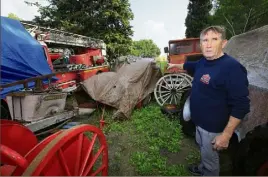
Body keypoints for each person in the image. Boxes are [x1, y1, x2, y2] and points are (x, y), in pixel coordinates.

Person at [167, 26, 250, 176]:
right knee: (203, 149)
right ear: (201, 44)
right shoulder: (202, 62)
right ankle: (202, 168)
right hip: (198, 122)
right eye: (205, 40)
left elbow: (241, 105)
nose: (209, 44)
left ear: (223, 43)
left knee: (211, 160)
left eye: (214, 39)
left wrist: (226, 135)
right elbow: (188, 65)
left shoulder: (232, 68)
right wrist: (175, 65)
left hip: (212, 128)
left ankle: (208, 171)